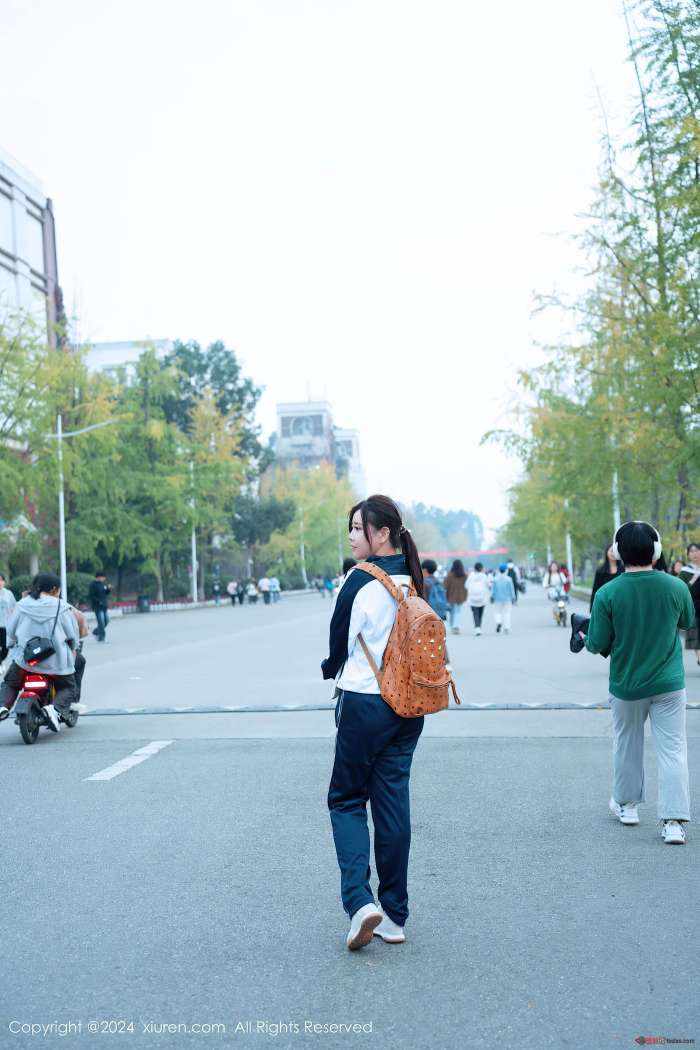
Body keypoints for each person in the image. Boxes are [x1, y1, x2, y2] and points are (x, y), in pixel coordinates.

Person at [322, 494, 426, 951]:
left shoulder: (359, 579)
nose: (351, 535)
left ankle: (360, 902)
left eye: (357, 528)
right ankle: (395, 915)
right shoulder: (413, 578)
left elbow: (338, 643)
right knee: (392, 804)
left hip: (365, 702)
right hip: (409, 705)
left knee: (346, 800)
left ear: (382, 534)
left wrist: (328, 669)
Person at [583, 522, 695, 845]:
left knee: (627, 744)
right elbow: (687, 622)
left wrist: (585, 635)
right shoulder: (676, 586)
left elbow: (596, 642)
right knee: (673, 749)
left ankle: (628, 806)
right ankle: (674, 822)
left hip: (627, 685)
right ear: (656, 550)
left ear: (618, 552)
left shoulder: (607, 593)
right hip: (669, 684)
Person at [0, 573, 78, 730]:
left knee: (11, 683)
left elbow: (11, 631)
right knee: (68, 688)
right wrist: (72, 647)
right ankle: (54, 710)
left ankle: (3, 706)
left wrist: (11, 644)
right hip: (56, 664)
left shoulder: (22, 605)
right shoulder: (62, 607)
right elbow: (72, 635)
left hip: (26, 661)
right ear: (55, 589)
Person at [682, 542, 700, 667]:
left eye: (697, 550)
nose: (694, 553)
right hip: (693, 607)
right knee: (695, 635)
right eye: (691, 551)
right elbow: (680, 590)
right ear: (688, 554)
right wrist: (692, 581)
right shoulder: (685, 571)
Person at [444, 560, 467, 635]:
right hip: (461, 596)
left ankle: (454, 626)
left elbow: (445, 586)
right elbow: (466, 586)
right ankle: (455, 626)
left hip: (451, 596)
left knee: (452, 612)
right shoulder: (464, 576)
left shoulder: (450, 575)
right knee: (457, 611)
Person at [491, 563, 516, 634]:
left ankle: (498, 622)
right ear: (506, 570)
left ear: (499, 570)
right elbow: (511, 589)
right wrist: (513, 598)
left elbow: (493, 589)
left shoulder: (495, 579)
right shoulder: (509, 579)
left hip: (497, 598)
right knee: (507, 613)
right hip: (507, 599)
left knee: (497, 612)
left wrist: (492, 597)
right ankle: (506, 627)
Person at [466, 562, 490, 636]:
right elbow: (488, 585)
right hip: (482, 598)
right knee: (480, 614)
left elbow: (466, 585)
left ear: (475, 568)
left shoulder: (471, 576)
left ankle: (477, 628)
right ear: (481, 568)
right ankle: (479, 627)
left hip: (472, 598)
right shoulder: (484, 576)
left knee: (475, 613)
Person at [88, 571, 111, 642]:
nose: (104, 579)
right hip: (97, 606)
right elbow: (91, 596)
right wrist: (98, 601)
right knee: (101, 622)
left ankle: (95, 631)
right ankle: (102, 637)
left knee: (107, 620)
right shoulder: (92, 585)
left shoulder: (102, 584)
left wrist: (108, 589)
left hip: (104, 606)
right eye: (103, 577)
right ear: (99, 577)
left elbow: (105, 593)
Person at [0, 573, 17, 666]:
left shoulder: (8, 593)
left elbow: (14, 607)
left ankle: (0, 661)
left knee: (5, 648)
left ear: (4, 582)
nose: (0, 582)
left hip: (5, 625)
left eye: (1, 580)